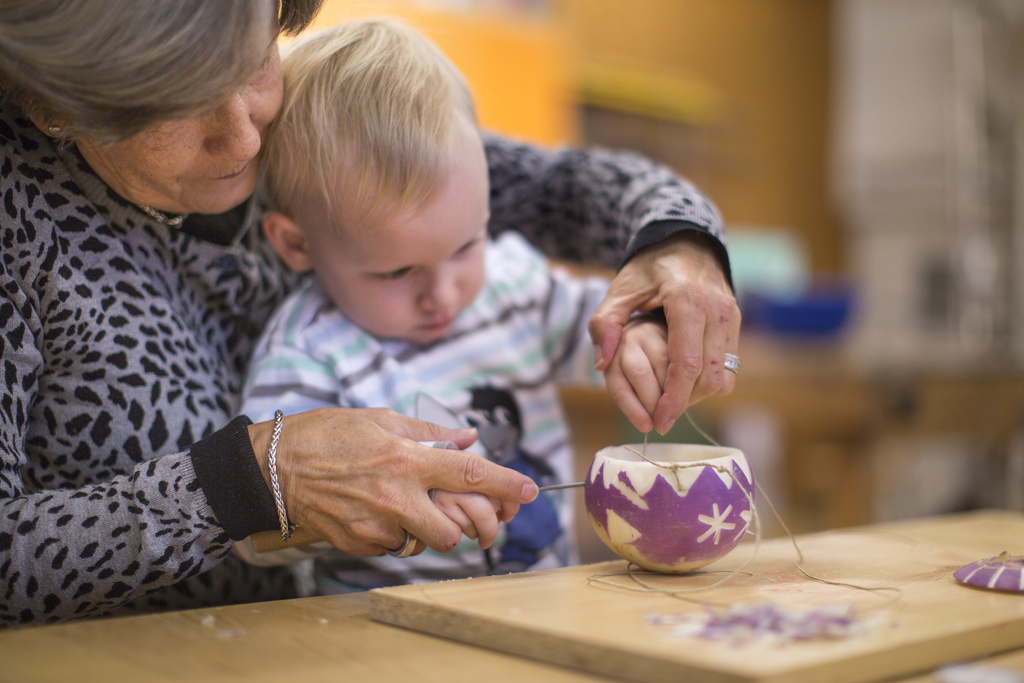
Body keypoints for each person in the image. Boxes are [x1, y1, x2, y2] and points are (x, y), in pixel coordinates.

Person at [0, 0, 739, 627]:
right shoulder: (20, 216)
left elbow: (566, 187)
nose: (250, 135)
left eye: (254, 60)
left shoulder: (318, 139)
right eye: (171, 101)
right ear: (52, 102)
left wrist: (677, 242)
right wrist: (249, 481)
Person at [234, 18, 676, 589]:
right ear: (296, 244)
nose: (442, 294)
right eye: (396, 271)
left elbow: (609, 328)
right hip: (383, 645)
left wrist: (641, 337)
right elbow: (254, 541)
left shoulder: (511, 283)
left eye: (467, 245)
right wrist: (392, 498)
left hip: (547, 608)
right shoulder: (306, 356)